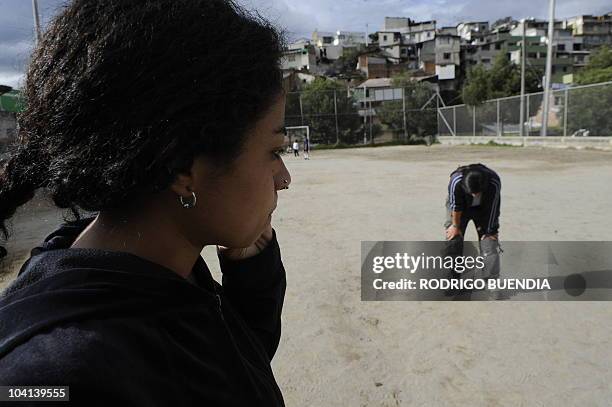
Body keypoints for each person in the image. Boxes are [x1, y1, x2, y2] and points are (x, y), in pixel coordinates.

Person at [0, 1, 290, 405]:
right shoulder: (61, 374)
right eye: (274, 151)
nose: (285, 179)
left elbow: (226, 368)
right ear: (182, 168)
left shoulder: (158, 269)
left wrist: (252, 275)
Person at [444, 163, 502, 290]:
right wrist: (455, 226)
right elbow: (455, 206)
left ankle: (491, 282)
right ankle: (451, 282)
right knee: (454, 240)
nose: (475, 195)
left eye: (478, 192)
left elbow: (493, 207)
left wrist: (490, 231)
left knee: (489, 243)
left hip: (484, 210)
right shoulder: (456, 181)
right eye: (472, 192)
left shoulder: (493, 182)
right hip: (460, 209)